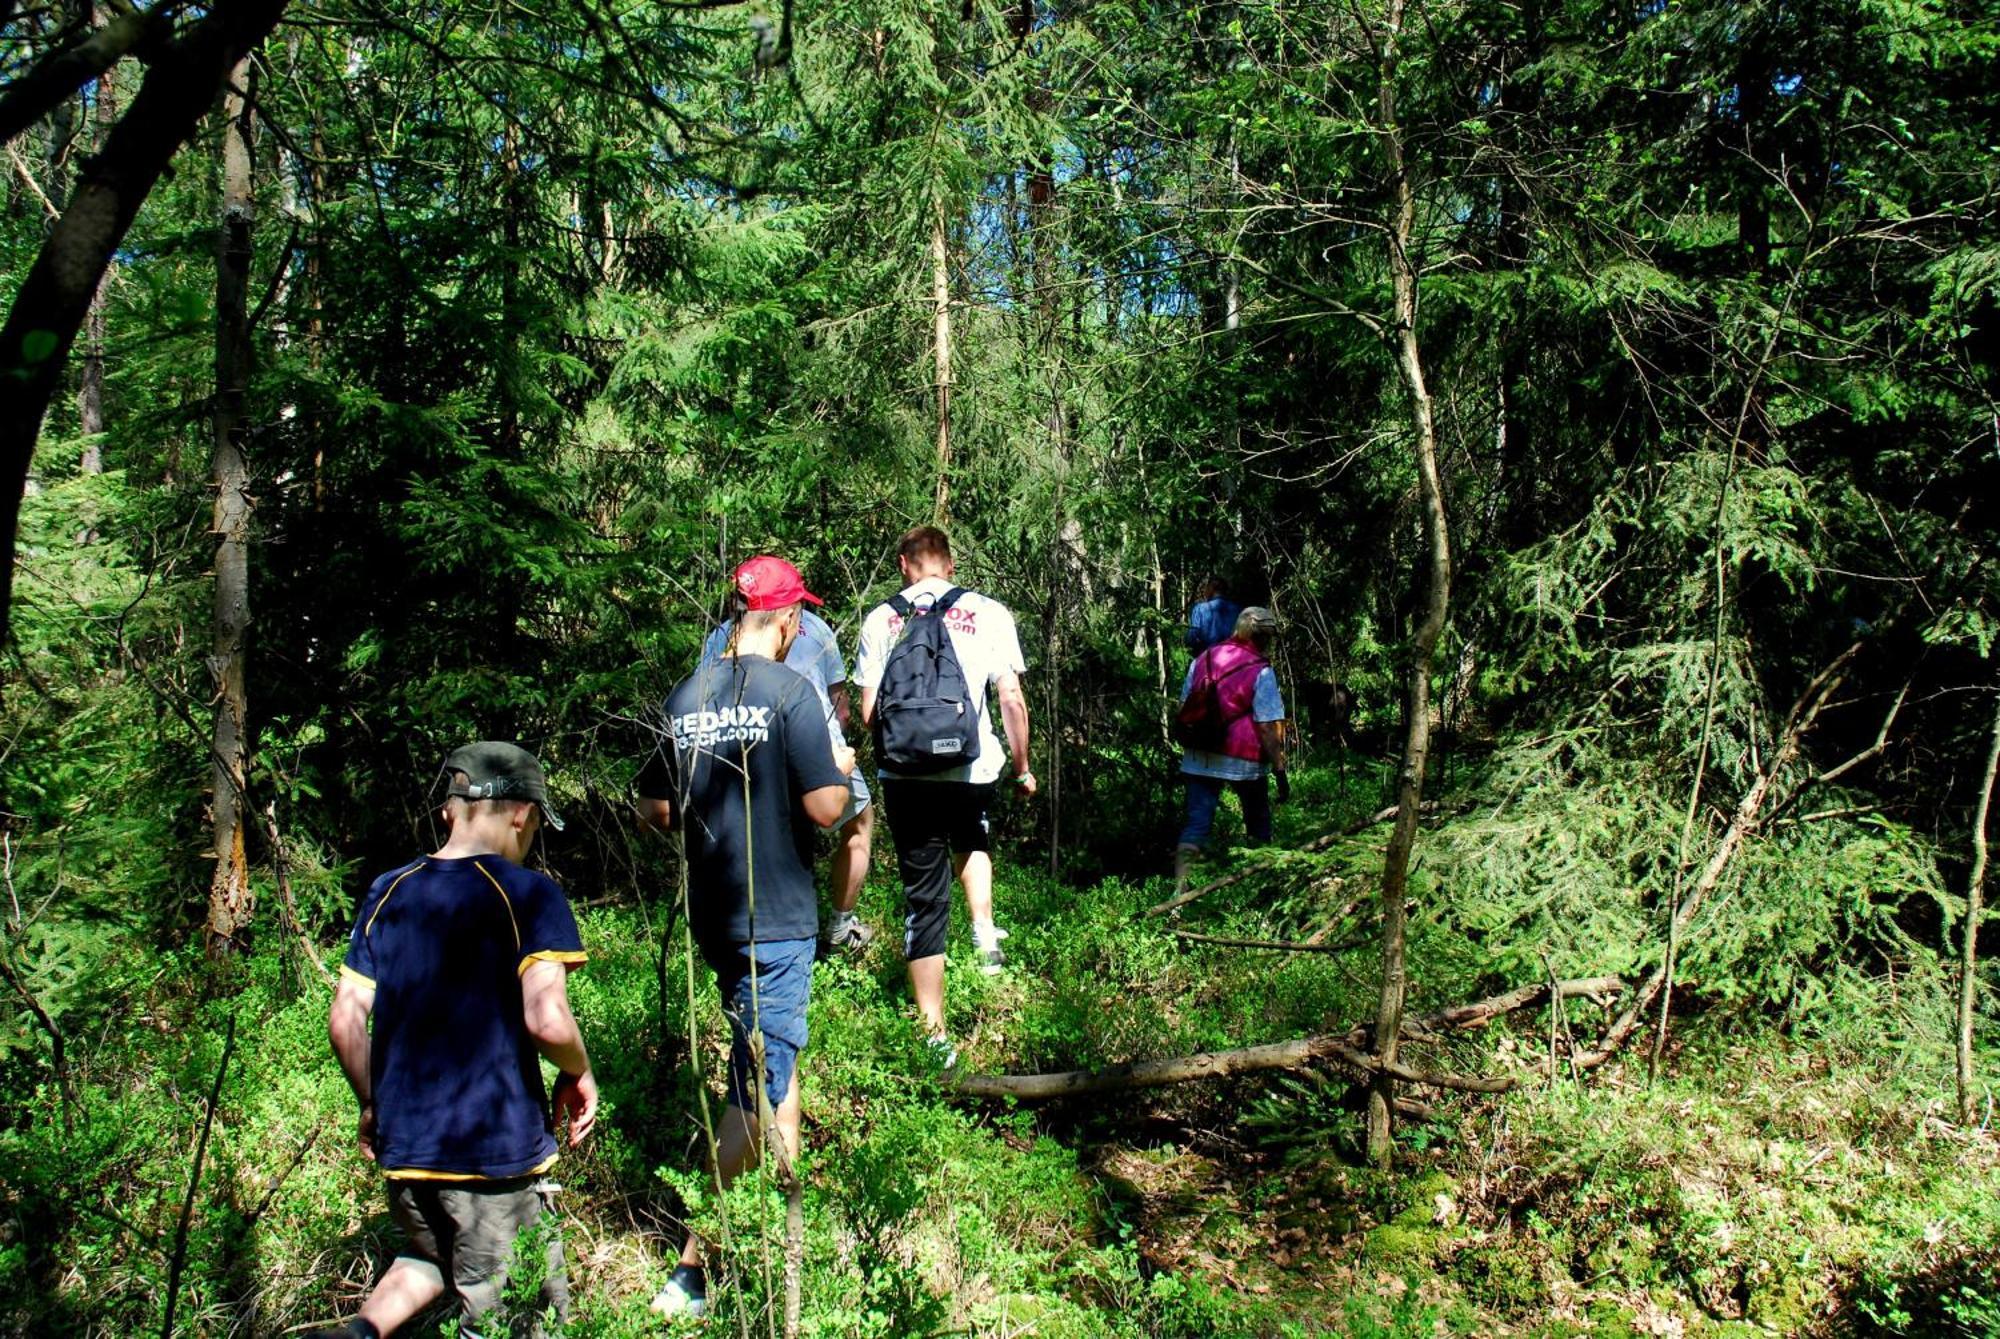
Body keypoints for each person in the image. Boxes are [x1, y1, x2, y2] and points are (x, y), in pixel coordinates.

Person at [312, 743, 596, 1339]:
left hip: (406, 1147)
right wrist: (580, 1070)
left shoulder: (388, 891)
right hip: (492, 1156)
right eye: (538, 822)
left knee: (431, 1256)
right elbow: (547, 1020)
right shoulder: (528, 894)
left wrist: (373, 1103)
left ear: (449, 810)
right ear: (521, 813)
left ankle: (360, 1332)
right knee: (514, 1317)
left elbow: (345, 1020)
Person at [636, 555, 855, 1320]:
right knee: (758, 1087)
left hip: (717, 914)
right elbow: (829, 806)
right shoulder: (790, 692)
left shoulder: (685, 694)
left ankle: (788, 1225)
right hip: (781, 919)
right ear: (788, 620)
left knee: (768, 1061)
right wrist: (843, 765)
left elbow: (655, 811)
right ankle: (694, 1263)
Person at [851, 525, 1033, 1059]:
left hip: (905, 778)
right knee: (972, 836)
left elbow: (867, 716)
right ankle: (983, 932)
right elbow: (1011, 697)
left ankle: (934, 1036)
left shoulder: (880, 618)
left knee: (924, 899)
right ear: (950, 565)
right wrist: (1022, 767)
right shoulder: (990, 612)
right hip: (971, 769)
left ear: (905, 565)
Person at [701, 584, 876, 954]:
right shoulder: (818, 627)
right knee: (859, 822)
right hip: (820, 748)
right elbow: (839, 703)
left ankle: (741, 920)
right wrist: (835, 750)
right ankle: (839, 925)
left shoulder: (719, 636)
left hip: (743, 752)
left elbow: (706, 695)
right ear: (789, 611)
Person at [1173, 607, 1288, 894]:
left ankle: (1179, 890)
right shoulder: (1260, 669)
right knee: (1258, 822)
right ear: (1264, 637)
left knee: (1197, 824)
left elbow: (1184, 704)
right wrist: (1280, 769)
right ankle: (1261, 888)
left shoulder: (1204, 658)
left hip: (1199, 753)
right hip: (1243, 759)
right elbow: (1268, 726)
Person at [1184, 576, 1243, 654]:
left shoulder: (1200, 609)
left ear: (1211, 589)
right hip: (1233, 658)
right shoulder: (1238, 609)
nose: (1205, 592)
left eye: (1206, 588)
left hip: (1208, 659)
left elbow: (1192, 638)